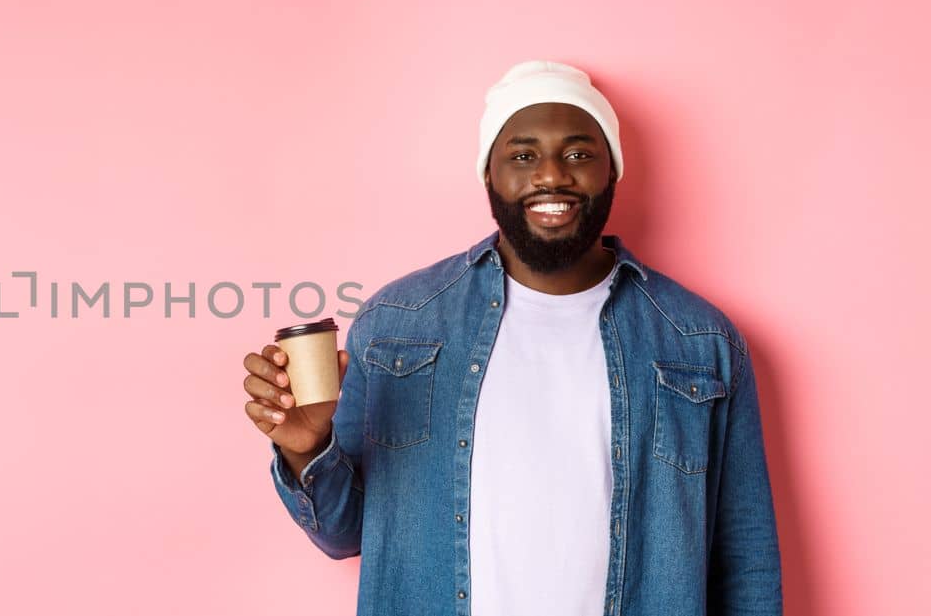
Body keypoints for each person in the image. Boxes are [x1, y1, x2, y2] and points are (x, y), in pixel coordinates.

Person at [240, 61, 782, 615]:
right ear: (489, 175)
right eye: (523, 156)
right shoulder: (399, 323)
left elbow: (746, 561)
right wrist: (306, 448)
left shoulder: (699, 340)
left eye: (578, 154)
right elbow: (343, 533)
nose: (552, 176)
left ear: (612, 172)